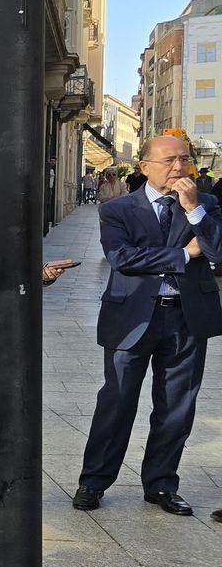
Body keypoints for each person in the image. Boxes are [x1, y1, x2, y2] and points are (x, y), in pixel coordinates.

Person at [74, 135, 222, 516]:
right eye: (169, 160)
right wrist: (184, 254)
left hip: (187, 317)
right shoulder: (118, 208)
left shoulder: (205, 205)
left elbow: (218, 253)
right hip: (132, 318)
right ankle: (93, 481)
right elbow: (122, 258)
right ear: (144, 167)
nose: (179, 167)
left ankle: (161, 484)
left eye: (184, 160)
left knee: (176, 406)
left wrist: (193, 212)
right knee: (117, 401)